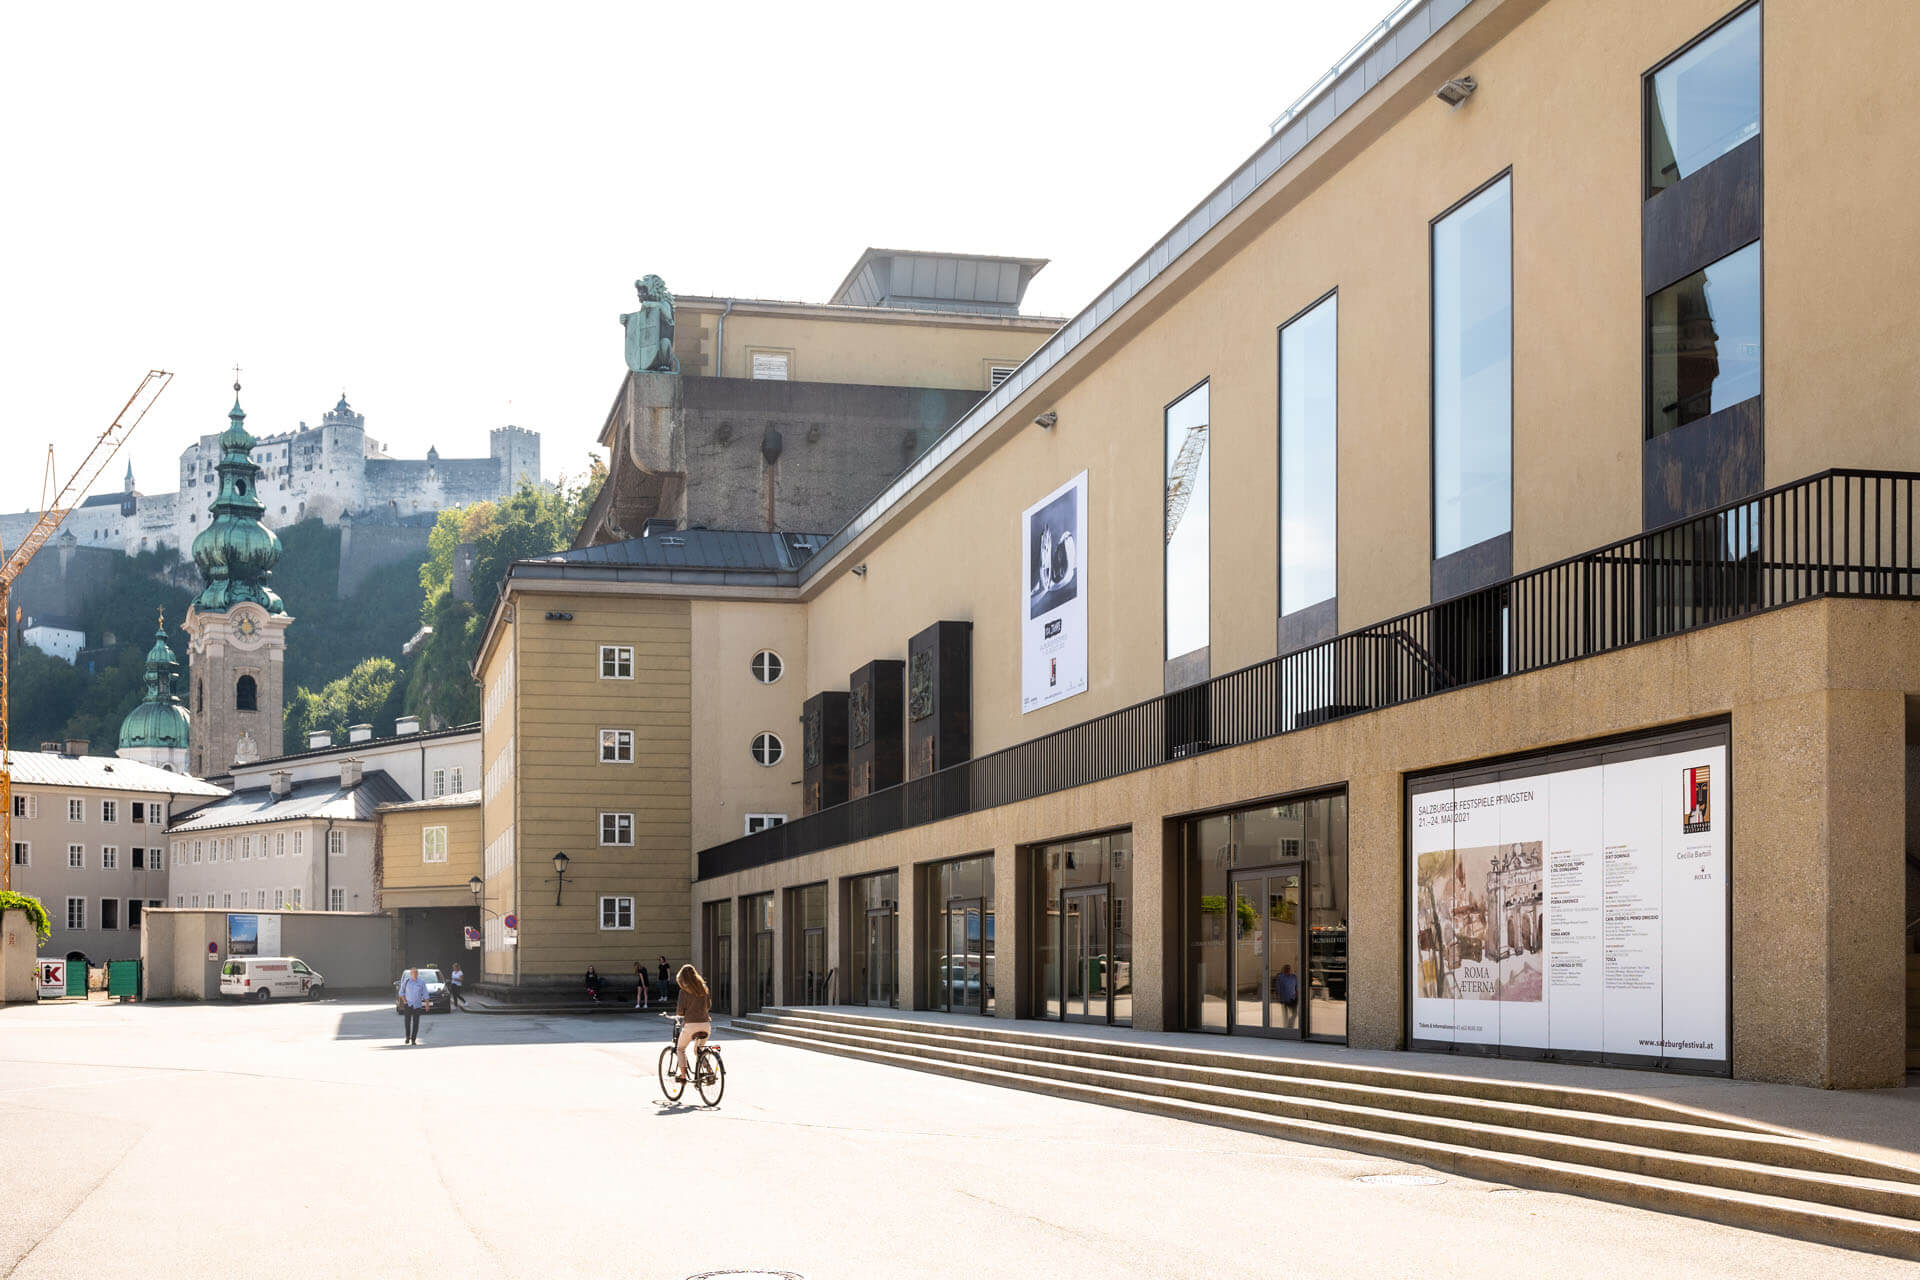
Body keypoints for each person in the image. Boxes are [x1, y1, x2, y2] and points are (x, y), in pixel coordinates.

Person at [672, 963, 712, 1084]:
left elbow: (680, 1011)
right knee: (699, 1050)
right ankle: (709, 1071)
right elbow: (708, 1006)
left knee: (680, 1048)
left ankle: (683, 1076)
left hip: (691, 1025)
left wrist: (683, 1013)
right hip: (706, 1024)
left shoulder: (683, 992)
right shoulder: (704, 989)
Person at [397, 967, 429, 1045]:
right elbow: (401, 993)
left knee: (416, 1022)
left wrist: (427, 1004)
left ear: (417, 974)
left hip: (417, 1005)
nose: (414, 974)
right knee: (407, 1022)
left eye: (416, 972)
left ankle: (413, 1039)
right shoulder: (406, 981)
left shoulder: (421, 982)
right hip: (408, 1005)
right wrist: (405, 1001)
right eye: (413, 973)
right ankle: (408, 1037)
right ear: (410, 974)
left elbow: (425, 993)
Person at [1272, 963, 1300, 1030]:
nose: (1287, 970)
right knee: (1285, 1016)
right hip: (1284, 999)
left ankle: (1290, 1026)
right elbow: (1278, 988)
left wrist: (1297, 995)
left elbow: (1296, 987)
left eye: (1289, 968)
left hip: (1293, 998)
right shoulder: (1280, 977)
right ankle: (1286, 1029)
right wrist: (1278, 996)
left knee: (1295, 1014)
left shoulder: (1294, 977)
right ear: (1283, 970)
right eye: (1286, 968)